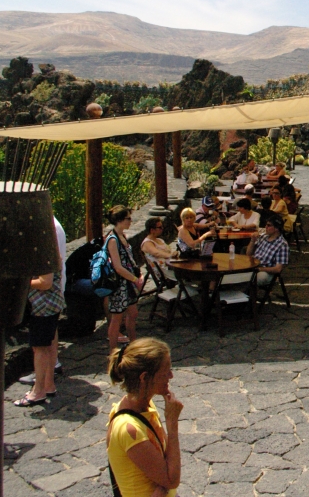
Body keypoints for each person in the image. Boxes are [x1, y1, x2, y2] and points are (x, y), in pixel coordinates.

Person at [107, 338, 182, 497]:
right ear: (144, 377)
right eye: (165, 372)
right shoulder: (129, 429)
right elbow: (171, 479)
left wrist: (164, 485)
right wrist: (172, 425)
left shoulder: (147, 407)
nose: (171, 376)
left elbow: (166, 459)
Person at [15, 214, 67, 406]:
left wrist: (22, 283)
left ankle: (38, 391)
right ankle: (48, 385)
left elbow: (45, 283)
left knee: (40, 348)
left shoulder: (45, 252)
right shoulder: (49, 249)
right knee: (49, 344)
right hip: (50, 304)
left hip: (44, 306)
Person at [105, 206, 145, 354]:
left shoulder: (122, 236)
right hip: (119, 283)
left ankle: (133, 343)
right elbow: (117, 266)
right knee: (117, 317)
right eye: (128, 218)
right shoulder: (112, 239)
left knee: (133, 312)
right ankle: (113, 350)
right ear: (120, 220)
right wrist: (134, 279)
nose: (130, 221)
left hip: (127, 282)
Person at [246, 216, 291, 287]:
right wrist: (252, 240)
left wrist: (260, 269)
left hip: (267, 272)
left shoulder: (282, 245)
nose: (265, 227)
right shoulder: (263, 237)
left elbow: (278, 269)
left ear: (276, 228)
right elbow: (248, 254)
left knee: (250, 279)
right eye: (266, 225)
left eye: (269, 225)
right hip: (254, 266)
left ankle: (249, 293)